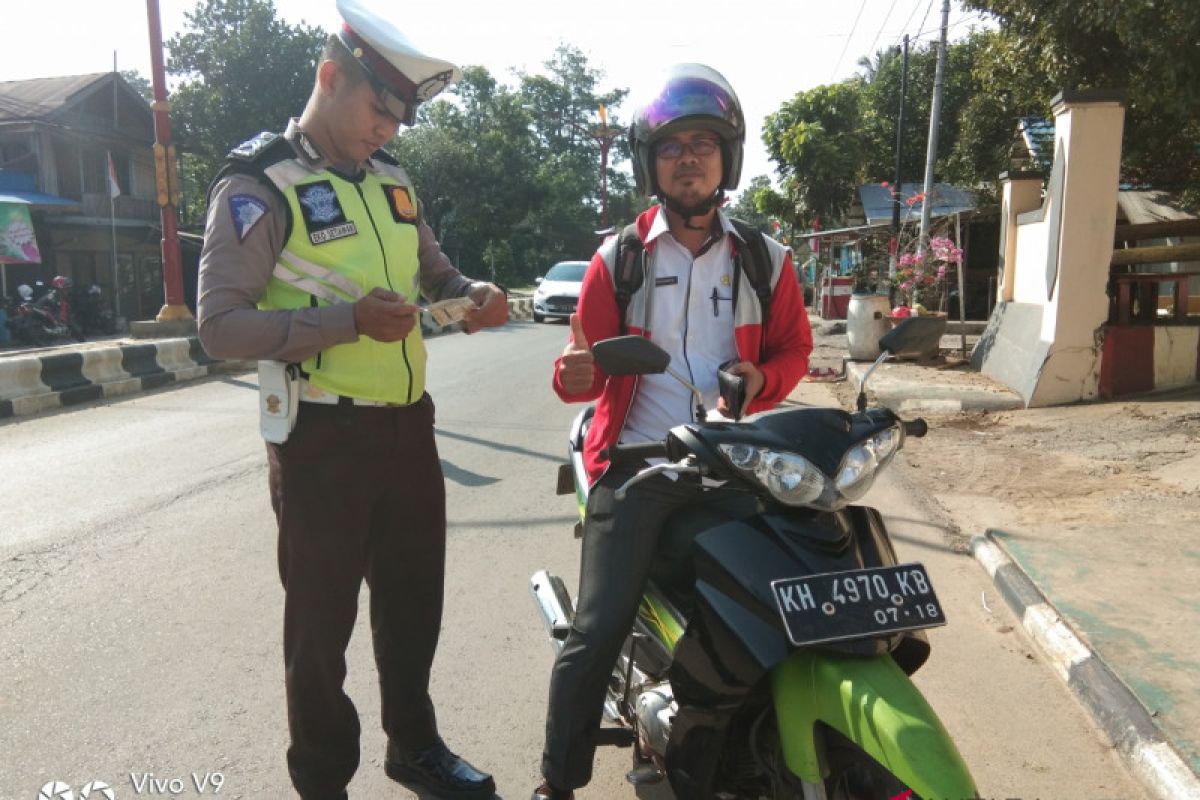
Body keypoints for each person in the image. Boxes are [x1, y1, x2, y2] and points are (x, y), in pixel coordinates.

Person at [196, 1, 506, 798]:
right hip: (319, 442)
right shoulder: (260, 182)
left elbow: (435, 273)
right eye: (379, 110)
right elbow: (221, 327)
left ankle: (415, 747)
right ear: (330, 77)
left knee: (412, 608)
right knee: (320, 632)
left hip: (409, 430)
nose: (390, 131)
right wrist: (347, 324)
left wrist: (472, 294)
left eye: (399, 118)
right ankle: (323, 779)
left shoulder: (394, 183)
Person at [533, 64, 813, 800]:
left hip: (727, 460)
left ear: (728, 157)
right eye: (672, 146)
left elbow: (794, 350)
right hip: (634, 464)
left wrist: (761, 382)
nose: (689, 157)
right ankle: (556, 782)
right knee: (596, 632)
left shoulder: (764, 258)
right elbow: (577, 368)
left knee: (777, 596)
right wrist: (578, 374)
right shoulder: (618, 259)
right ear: (650, 164)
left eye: (704, 143)